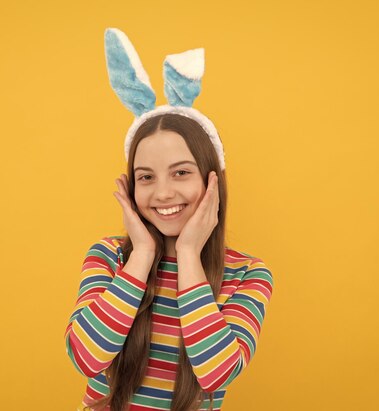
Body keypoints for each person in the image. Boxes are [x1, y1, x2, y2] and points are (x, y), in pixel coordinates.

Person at [64, 28, 274, 411]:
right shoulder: (108, 257)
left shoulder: (248, 274)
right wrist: (142, 253)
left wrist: (190, 254)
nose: (162, 194)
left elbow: (216, 373)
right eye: (146, 176)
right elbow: (86, 357)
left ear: (212, 180)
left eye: (180, 173)